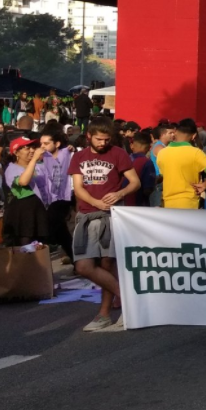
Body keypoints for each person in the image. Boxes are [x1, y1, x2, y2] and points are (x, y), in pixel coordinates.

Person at [69, 119, 140, 332]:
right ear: (89, 136)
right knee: (83, 266)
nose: (103, 143)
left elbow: (134, 182)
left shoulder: (118, 153)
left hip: (112, 215)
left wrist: (120, 193)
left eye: (106, 139)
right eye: (99, 139)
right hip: (87, 215)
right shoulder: (79, 156)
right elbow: (78, 188)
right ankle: (127, 297)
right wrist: (95, 202)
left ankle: (104, 314)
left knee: (107, 264)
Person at [157, 119, 206, 209]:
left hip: (168, 202)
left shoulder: (162, 153)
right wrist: (204, 185)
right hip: (189, 202)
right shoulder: (196, 152)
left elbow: (163, 175)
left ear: (175, 132)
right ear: (194, 136)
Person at [3, 137, 50, 246]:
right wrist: (33, 160)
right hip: (23, 214)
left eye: (33, 147)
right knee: (25, 246)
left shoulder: (39, 166)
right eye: (26, 148)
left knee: (40, 246)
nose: (32, 151)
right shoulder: (12, 168)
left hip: (39, 212)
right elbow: (23, 181)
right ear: (16, 152)